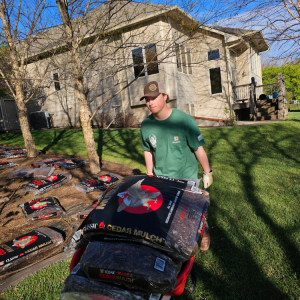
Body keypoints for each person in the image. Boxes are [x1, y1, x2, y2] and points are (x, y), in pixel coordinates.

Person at [140, 81, 213, 250]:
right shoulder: (146, 125)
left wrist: (207, 172)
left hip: (186, 176)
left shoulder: (184, 120)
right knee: (166, 214)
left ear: (165, 97)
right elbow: (148, 150)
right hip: (161, 178)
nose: (150, 102)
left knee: (192, 214)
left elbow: (198, 148)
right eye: (147, 99)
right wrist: (149, 175)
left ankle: (204, 231)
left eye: (154, 97)